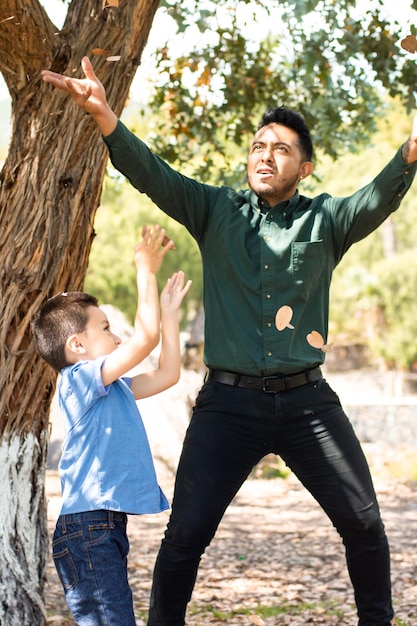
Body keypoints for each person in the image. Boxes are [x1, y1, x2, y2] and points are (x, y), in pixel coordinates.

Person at [42, 56, 417, 626]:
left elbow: (377, 197)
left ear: (306, 167)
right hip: (227, 407)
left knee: (365, 523)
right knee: (185, 535)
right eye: (258, 146)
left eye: (282, 148)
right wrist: (105, 115)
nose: (265, 155)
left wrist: (408, 155)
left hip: (308, 403)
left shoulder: (327, 222)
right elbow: (154, 174)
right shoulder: (216, 209)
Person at [32, 223, 191, 626]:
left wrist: (170, 315)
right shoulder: (79, 379)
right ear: (77, 346)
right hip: (88, 527)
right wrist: (145, 270)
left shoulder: (111, 387)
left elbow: (167, 373)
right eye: (105, 328)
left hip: (102, 526)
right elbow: (145, 339)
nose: (115, 337)